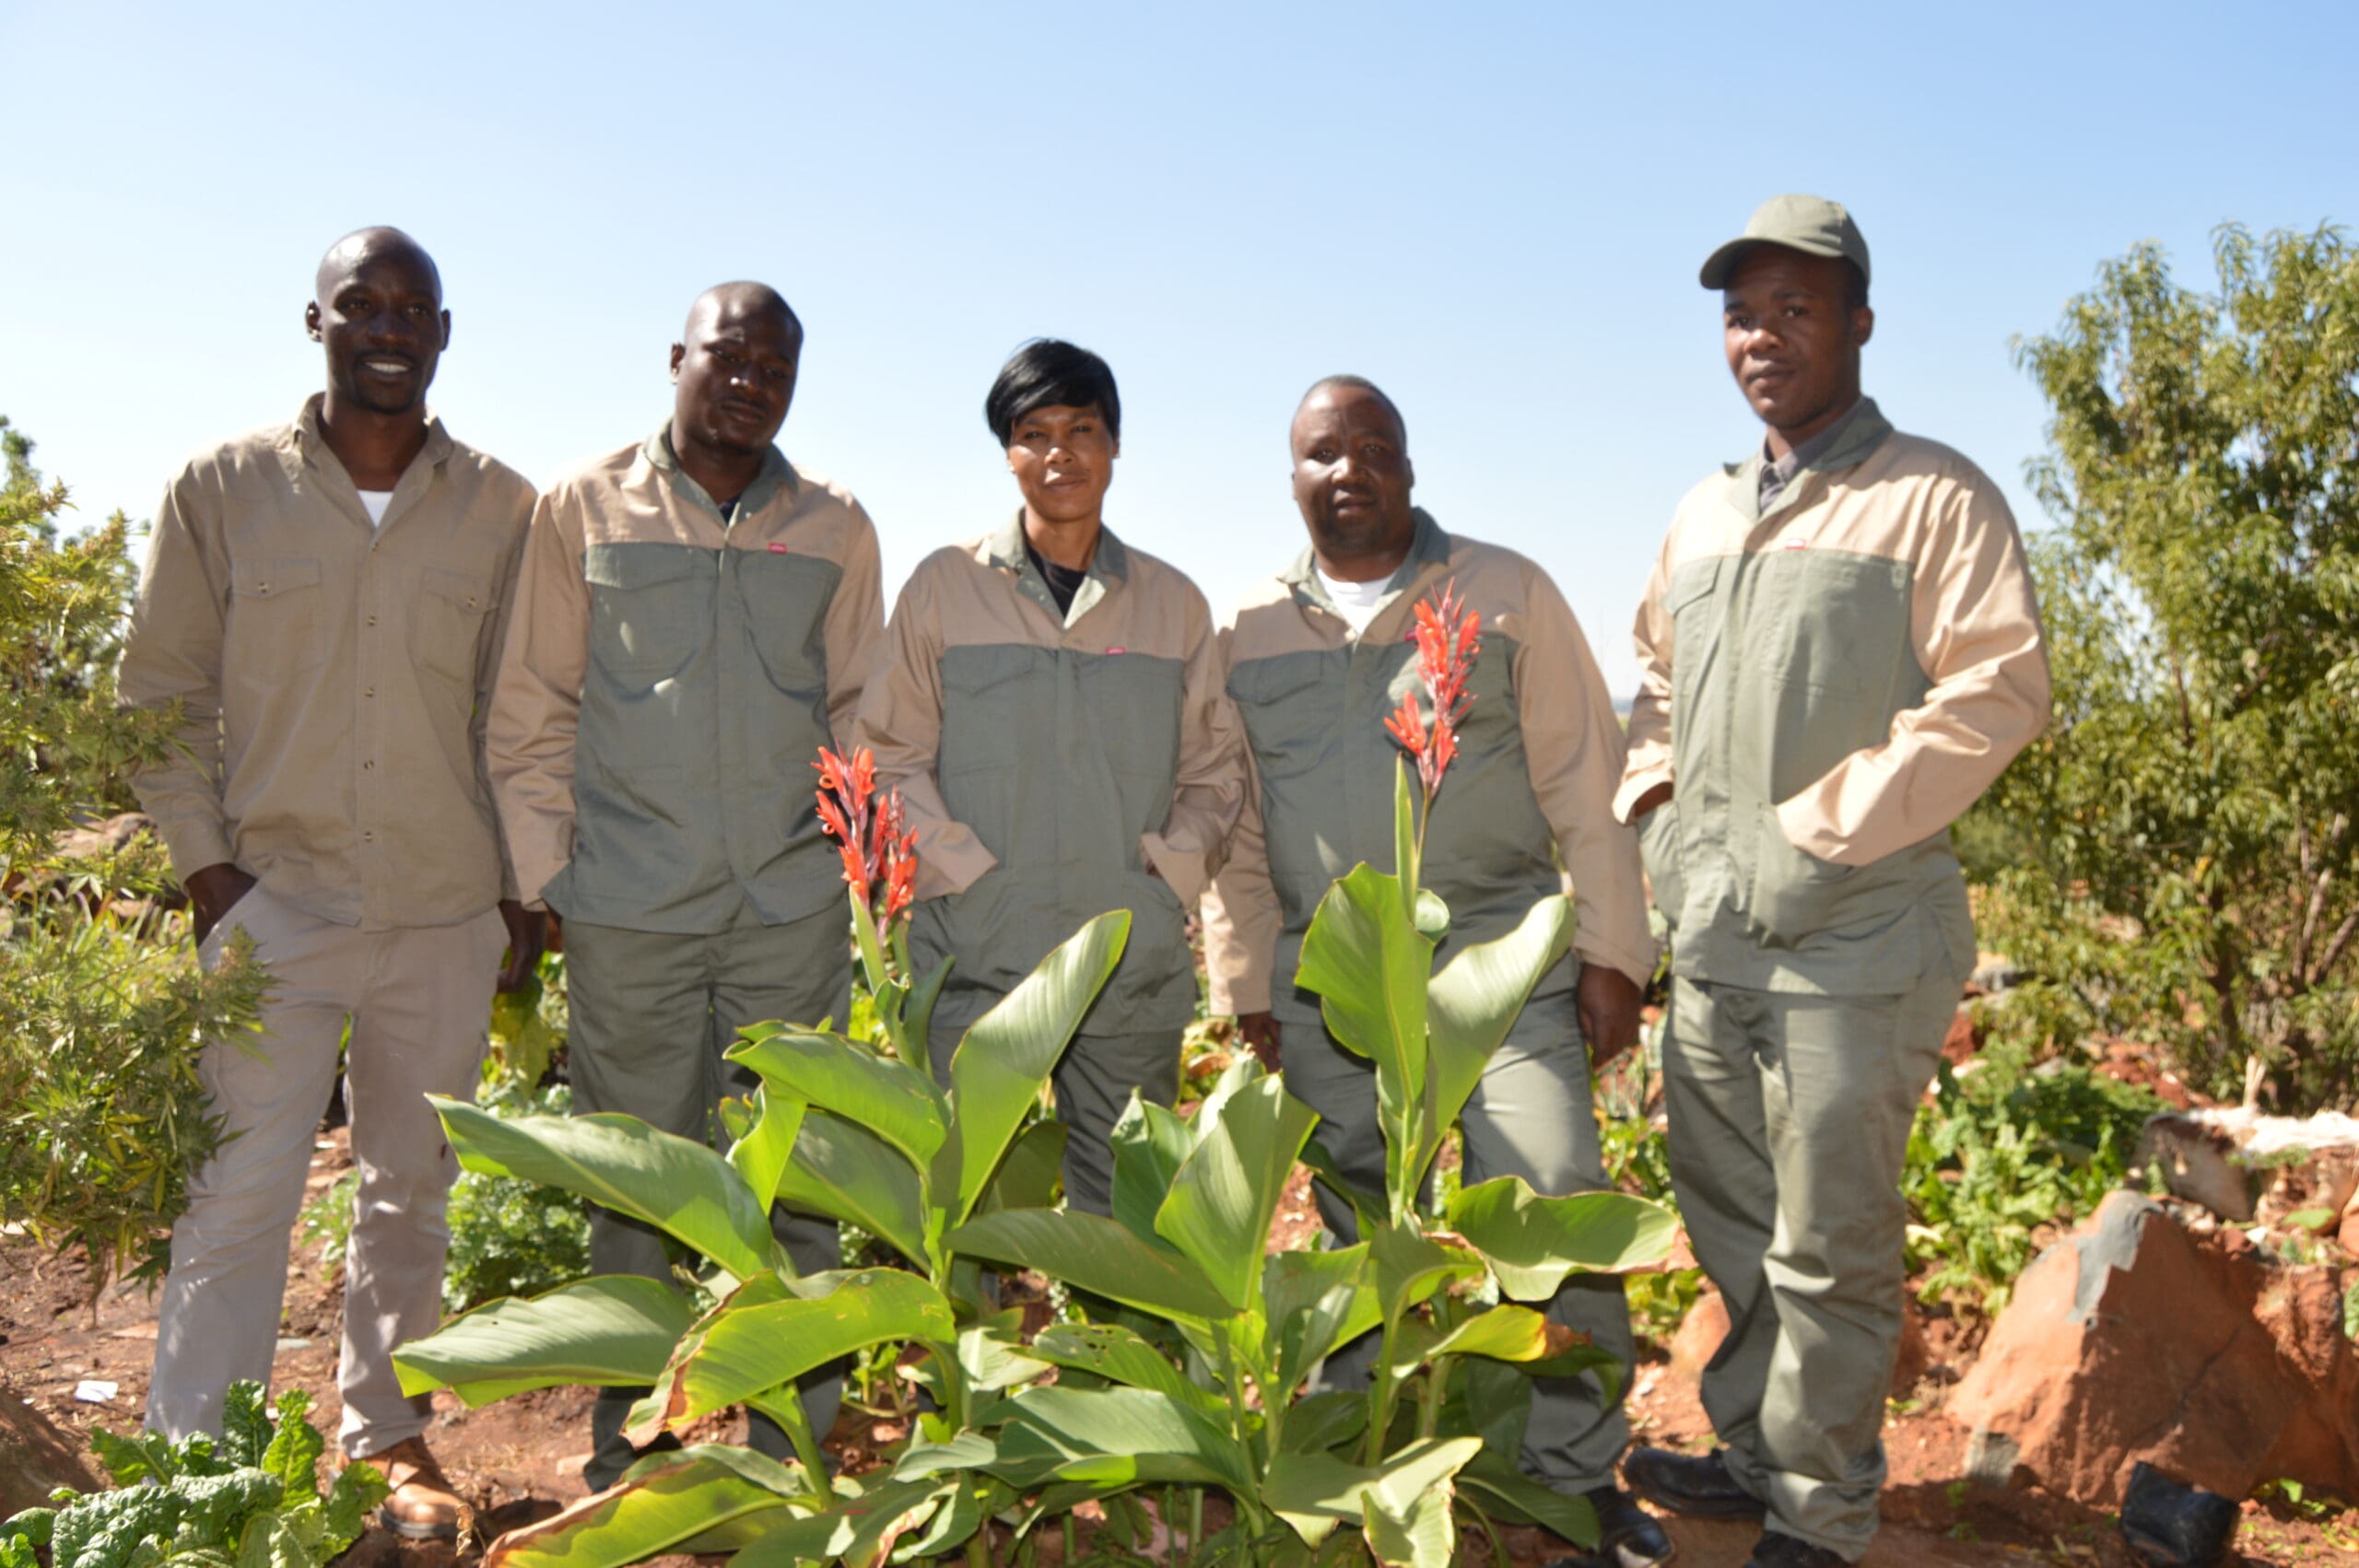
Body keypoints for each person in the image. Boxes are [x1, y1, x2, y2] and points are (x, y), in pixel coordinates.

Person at [1614, 195, 2051, 1567]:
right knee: (1734, 1221)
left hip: (1856, 943)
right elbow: (1655, 684)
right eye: (1741, 314)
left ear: (1860, 321)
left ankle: (1821, 1507)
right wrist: (1657, 818)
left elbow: (1998, 690)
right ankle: (1756, 1455)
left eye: (1794, 309)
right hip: (1714, 944)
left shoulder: (1934, 496)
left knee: (1830, 1246)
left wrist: (1817, 829)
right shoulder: (1701, 511)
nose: (1762, 337)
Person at [1201, 376, 1672, 1568]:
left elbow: (1584, 781)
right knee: (1360, 1219)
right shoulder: (1246, 629)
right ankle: (1367, 1460)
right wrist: (1246, 980)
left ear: (1409, 468)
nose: (1349, 470)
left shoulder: (1504, 592)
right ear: (1293, 479)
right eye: (1323, 453)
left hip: (1498, 966)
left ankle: (1575, 1473)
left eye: (1374, 448)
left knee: (1548, 1192)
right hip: (1332, 981)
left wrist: (1615, 952)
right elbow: (1240, 825)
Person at [121, 228, 542, 1540]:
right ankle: (197, 1472)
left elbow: (524, 709)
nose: (389, 326)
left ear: (443, 332)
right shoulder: (223, 488)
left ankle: (391, 1438)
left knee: (412, 1193)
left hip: (443, 908)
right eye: (362, 303)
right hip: (275, 903)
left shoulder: (505, 507)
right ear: (318, 322)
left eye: (413, 307)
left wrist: (521, 890)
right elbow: (160, 698)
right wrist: (211, 876)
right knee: (236, 1195)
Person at [486, 282, 886, 1491]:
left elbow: (859, 711)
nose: (752, 379)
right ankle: (633, 1447)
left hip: (788, 909)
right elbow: (532, 703)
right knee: (634, 1187)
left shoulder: (836, 525)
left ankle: (792, 1442)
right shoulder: (584, 505)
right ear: (678, 358)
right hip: (630, 908)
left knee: (798, 1179)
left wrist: (860, 871)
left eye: (777, 366)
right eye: (730, 355)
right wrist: (549, 877)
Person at [855, 338, 1242, 1217]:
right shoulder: (944, 586)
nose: (1059, 453)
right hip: (975, 954)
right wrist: (965, 874)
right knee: (966, 1207)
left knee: (1130, 1214)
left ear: (1115, 444)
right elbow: (887, 753)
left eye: (1082, 430)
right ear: (1008, 453)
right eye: (1035, 434)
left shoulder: (1173, 602)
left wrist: (1163, 880)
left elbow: (1215, 770)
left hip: (1126, 960)